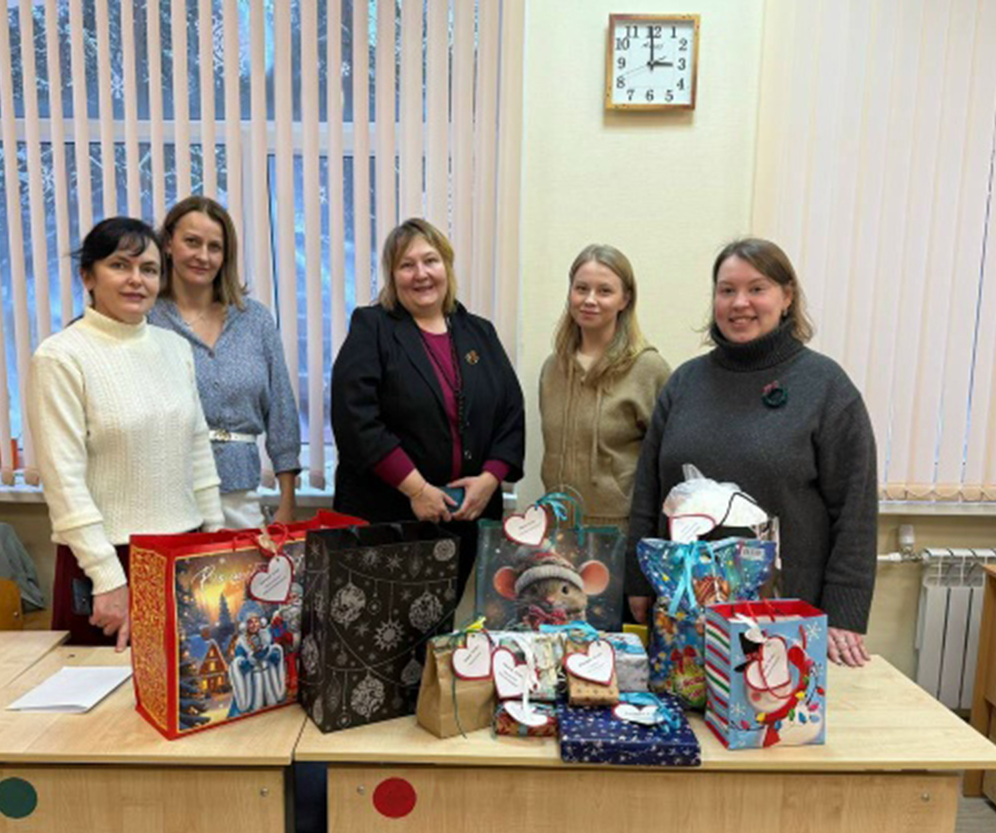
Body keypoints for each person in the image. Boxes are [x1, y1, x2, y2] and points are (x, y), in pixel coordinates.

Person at [625, 238, 878, 667]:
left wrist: (844, 614)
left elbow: (855, 510)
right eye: (727, 290)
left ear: (787, 296)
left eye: (756, 289)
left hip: (785, 626)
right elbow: (649, 492)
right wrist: (638, 580)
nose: (740, 303)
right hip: (684, 623)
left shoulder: (826, 387)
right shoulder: (684, 383)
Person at [28, 217, 223, 650]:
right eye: (120, 265)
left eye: (149, 269)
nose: (137, 280)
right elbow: (63, 481)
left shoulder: (174, 348)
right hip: (105, 561)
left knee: (186, 682)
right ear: (88, 276)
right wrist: (107, 577)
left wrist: (215, 540)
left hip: (184, 553)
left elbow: (197, 450)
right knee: (103, 688)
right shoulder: (60, 357)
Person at [331, 217, 525, 589]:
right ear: (392, 276)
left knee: (442, 622)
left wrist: (489, 480)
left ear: (446, 266)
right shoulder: (372, 327)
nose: (421, 274)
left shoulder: (479, 332)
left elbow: (511, 413)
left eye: (430, 260)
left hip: (464, 517)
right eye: (407, 265)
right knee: (384, 620)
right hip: (388, 517)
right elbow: (356, 418)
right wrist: (417, 490)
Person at [149, 196, 301, 529]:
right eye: (192, 242)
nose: (203, 256)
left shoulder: (255, 319)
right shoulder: (146, 319)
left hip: (240, 495)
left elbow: (282, 411)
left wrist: (287, 501)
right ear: (168, 244)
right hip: (166, 495)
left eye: (214, 247)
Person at [539, 244, 670, 530]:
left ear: (625, 299)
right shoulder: (553, 369)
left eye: (605, 291)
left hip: (620, 530)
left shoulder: (648, 369)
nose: (590, 300)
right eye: (581, 288)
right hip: (557, 528)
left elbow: (665, 461)